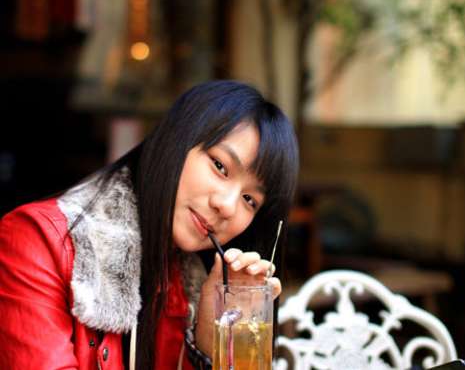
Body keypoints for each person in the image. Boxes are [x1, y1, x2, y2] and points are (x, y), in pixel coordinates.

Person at [0, 80, 299, 370]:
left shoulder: (190, 283)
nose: (227, 206)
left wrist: (209, 349)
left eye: (249, 200)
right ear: (174, 142)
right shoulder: (37, 241)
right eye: (220, 166)